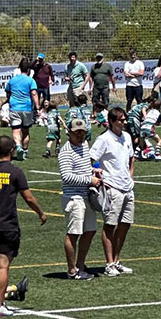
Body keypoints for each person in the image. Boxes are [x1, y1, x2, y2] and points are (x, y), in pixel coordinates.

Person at [0, 136, 46, 317]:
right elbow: (28, 198)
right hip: (7, 224)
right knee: (4, 263)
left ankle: (0, 300)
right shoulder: (15, 172)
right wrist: (41, 213)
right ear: (12, 150)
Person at [89, 107, 136, 277]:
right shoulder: (104, 139)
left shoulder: (127, 137)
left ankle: (116, 260)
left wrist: (130, 177)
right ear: (111, 122)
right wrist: (97, 173)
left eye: (125, 120)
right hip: (112, 187)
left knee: (125, 224)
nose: (124, 123)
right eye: (120, 120)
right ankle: (109, 263)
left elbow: (131, 158)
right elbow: (91, 158)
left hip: (127, 187)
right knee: (110, 225)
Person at [58, 118, 101, 280]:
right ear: (69, 132)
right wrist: (89, 180)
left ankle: (80, 265)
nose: (80, 135)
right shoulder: (66, 151)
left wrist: (93, 171)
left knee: (90, 230)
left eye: (82, 132)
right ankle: (72, 270)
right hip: (73, 197)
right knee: (73, 233)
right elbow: (67, 176)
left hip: (86, 195)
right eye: (77, 133)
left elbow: (83, 167)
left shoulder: (84, 145)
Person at [5, 59, 39, 161]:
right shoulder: (30, 80)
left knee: (16, 130)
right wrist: (38, 107)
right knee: (26, 131)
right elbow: (34, 93)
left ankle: (18, 146)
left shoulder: (12, 80)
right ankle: (24, 151)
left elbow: (7, 93)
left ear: (19, 69)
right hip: (27, 108)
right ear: (28, 70)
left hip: (14, 107)